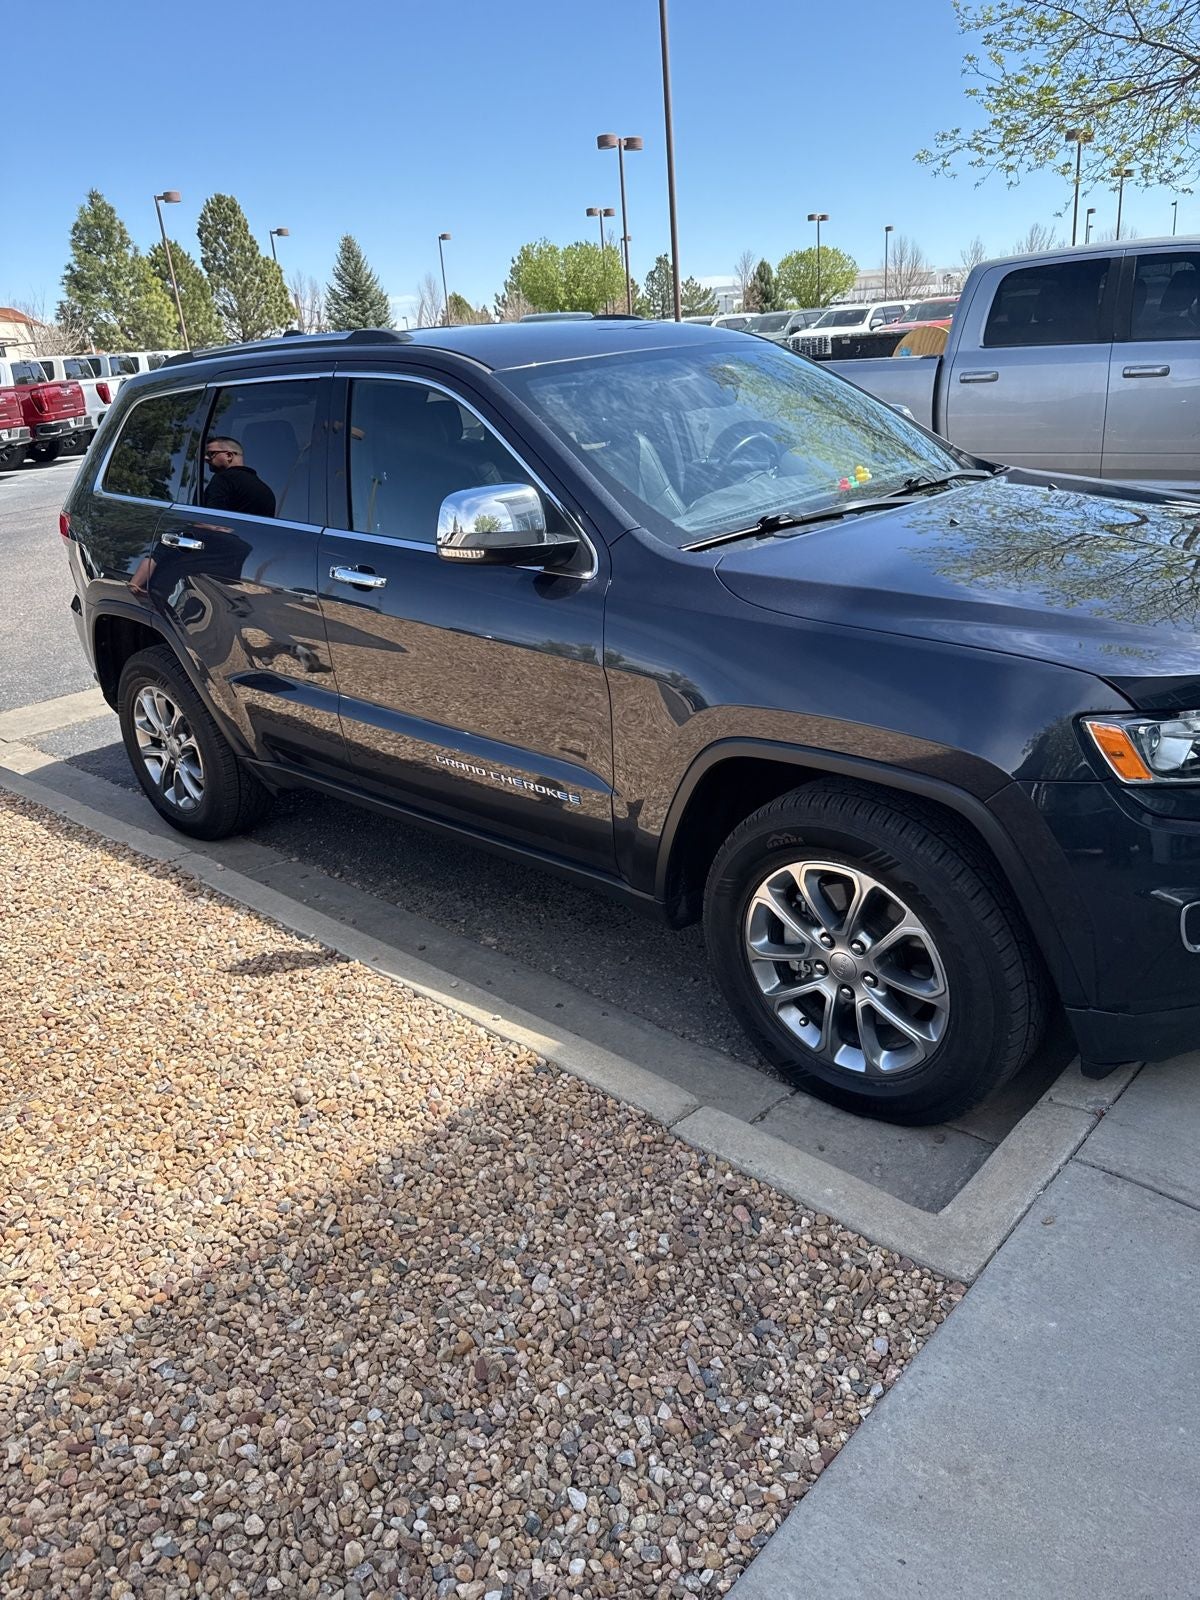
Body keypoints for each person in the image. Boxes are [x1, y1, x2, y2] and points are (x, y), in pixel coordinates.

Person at [202, 436, 277, 516]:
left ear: (229, 456)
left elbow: (212, 519)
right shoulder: (267, 491)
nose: (206, 458)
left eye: (210, 454)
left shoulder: (223, 479)